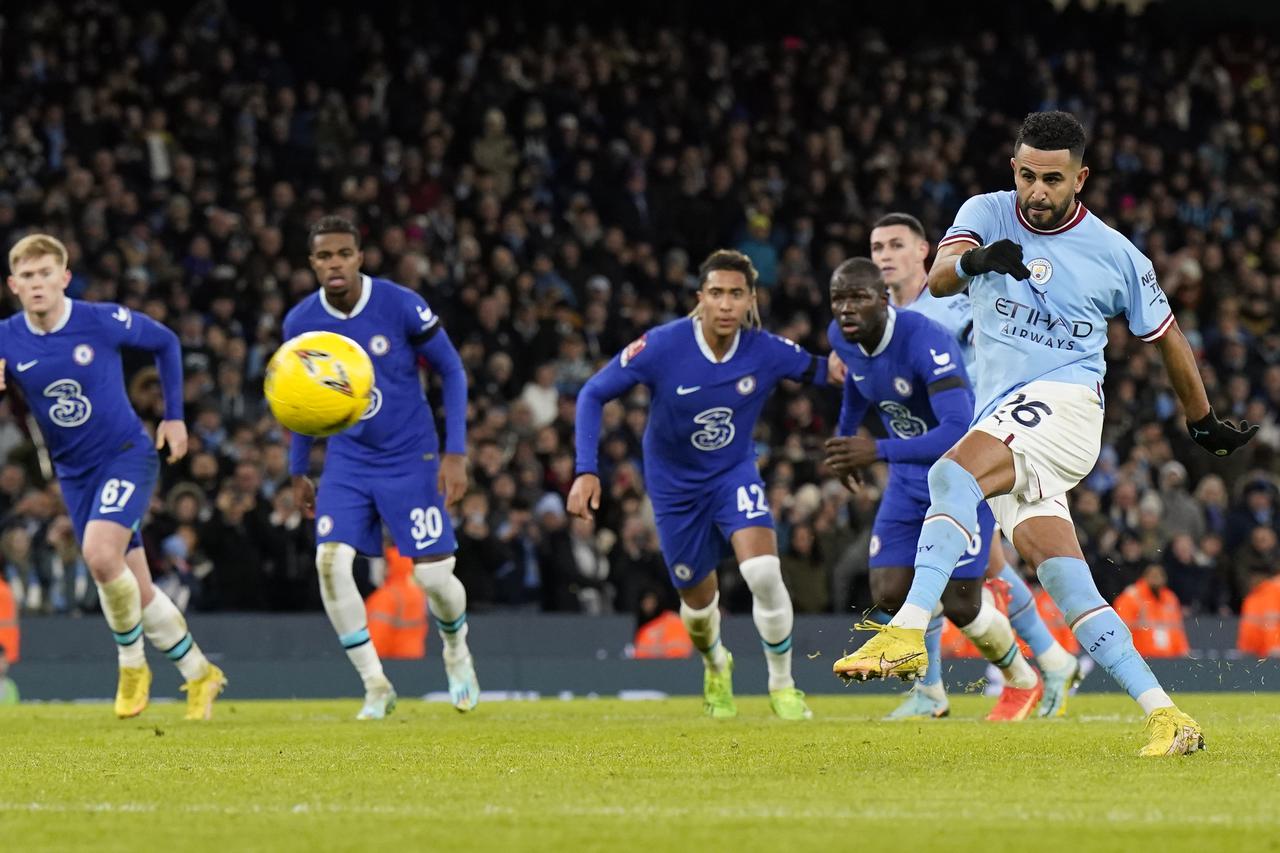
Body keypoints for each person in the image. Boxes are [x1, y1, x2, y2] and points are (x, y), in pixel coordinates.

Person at [832, 111, 1256, 756]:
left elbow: (1166, 335)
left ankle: (907, 632)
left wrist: (1202, 422)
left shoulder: (1115, 254)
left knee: (951, 472)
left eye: (1052, 179)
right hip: (1004, 417)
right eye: (1027, 175)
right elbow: (942, 276)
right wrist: (978, 261)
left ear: (1079, 179)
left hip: (1067, 403)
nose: (1037, 190)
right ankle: (1168, 716)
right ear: (1014, 169)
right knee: (1065, 580)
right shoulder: (987, 210)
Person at [569, 249, 823, 720]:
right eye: (716, 294)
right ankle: (714, 663)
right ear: (700, 298)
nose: (726, 305)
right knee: (699, 605)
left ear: (751, 299)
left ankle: (783, 685)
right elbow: (593, 393)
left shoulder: (766, 349)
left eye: (736, 294)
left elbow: (828, 373)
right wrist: (586, 468)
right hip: (674, 490)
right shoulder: (663, 346)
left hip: (733, 475)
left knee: (763, 573)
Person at [859, 214, 1084, 718]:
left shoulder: (954, 307)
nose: (885, 256)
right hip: (920, 462)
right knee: (982, 568)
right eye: (877, 247)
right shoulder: (880, 320)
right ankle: (1047, 659)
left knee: (956, 576)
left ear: (924, 251)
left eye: (897, 245)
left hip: (974, 453)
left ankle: (945, 687)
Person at [1, 234, 225, 720]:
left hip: (125, 455)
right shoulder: (6, 337)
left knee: (101, 557)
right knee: (137, 591)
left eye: (46, 275)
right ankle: (200, 673)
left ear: (63, 279)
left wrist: (174, 417)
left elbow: (165, 341)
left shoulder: (100, 320)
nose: (37, 284)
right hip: (75, 476)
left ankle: (131, 666)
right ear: (13, 285)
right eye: (27, 277)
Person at [824, 258, 1044, 721]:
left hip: (964, 476)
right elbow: (857, 387)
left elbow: (957, 432)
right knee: (888, 590)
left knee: (963, 604)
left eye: (858, 297)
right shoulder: (840, 336)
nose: (846, 309)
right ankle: (931, 695)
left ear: (884, 301)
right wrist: (846, 443)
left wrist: (875, 449)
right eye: (839, 298)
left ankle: (1022, 680)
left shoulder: (925, 341)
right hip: (908, 481)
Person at [286, 216, 477, 720]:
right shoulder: (300, 323)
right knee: (329, 562)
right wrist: (298, 468)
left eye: (343, 254)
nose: (334, 264)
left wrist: (455, 453)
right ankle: (375, 685)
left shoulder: (399, 304)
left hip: (411, 457)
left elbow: (452, 370)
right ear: (313, 264)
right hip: (348, 460)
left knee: (435, 580)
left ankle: (456, 649)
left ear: (359, 257)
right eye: (324, 256)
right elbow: (301, 402)